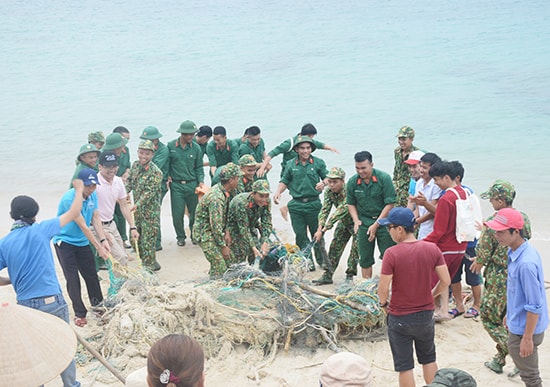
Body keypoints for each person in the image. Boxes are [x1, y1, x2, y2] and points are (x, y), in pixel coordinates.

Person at [0, 180, 87, 387]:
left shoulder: (4, 243)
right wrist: (79, 188)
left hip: (26, 307)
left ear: (12, 215)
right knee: (63, 347)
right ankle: (71, 385)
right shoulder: (42, 229)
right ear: (34, 214)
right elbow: (75, 211)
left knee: (34, 353)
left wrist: (11, 280)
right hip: (53, 301)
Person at [377, 207, 451, 387]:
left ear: (400, 229)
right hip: (425, 315)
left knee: (405, 366)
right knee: (428, 359)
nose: (389, 231)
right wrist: (431, 295)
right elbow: (446, 280)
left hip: (400, 316)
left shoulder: (392, 253)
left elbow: (383, 288)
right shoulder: (431, 249)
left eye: (390, 227)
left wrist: (383, 304)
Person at [470, 180, 532, 375]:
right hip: (517, 270)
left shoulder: (494, 221)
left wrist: (478, 262)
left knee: (489, 317)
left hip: (498, 276)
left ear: (500, 199)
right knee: (511, 317)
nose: (490, 202)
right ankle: (499, 359)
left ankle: (515, 354)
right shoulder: (523, 218)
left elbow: (485, 250)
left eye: (493, 199)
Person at [484, 208, 548, 387]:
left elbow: (535, 304)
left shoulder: (525, 263)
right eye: (495, 231)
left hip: (525, 330)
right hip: (518, 323)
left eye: (501, 232)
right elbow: (518, 293)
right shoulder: (516, 251)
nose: (497, 236)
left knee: (531, 378)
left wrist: (527, 338)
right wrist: (510, 313)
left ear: (516, 231)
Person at [53, 168, 110, 327]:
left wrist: (103, 239)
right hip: (64, 241)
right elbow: (84, 226)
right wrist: (98, 248)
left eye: (94, 185)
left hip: (82, 242)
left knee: (91, 274)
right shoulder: (69, 199)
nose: (91, 189)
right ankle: (79, 313)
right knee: (73, 278)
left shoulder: (92, 195)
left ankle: (98, 307)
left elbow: (96, 218)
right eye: (88, 185)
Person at [273, 136, 329, 271]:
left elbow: (327, 177)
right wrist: (278, 192)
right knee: (300, 235)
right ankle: (307, 262)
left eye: (308, 148)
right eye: (302, 148)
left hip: (314, 204)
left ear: (311, 149)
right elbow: (284, 180)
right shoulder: (291, 164)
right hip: (296, 206)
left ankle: (322, 262)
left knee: (318, 235)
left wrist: (323, 183)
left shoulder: (318, 163)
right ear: (296, 149)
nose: (305, 151)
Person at [423, 161, 468, 321]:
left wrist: (421, 243)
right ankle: (442, 310)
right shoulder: (465, 194)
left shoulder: (446, 199)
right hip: (461, 246)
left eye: (437, 180)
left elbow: (439, 231)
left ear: (447, 177)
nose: (436, 183)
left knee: (432, 281)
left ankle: (425, 309)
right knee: (444, 280)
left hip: (445, 248)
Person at [347, 151, 396, 279]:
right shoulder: (353, 182)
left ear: (371, 165)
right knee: (365, 258)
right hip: (364, 223)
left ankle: (389, 287)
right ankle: (366, 287)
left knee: (388, 256)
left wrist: (377, 224)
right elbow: (350, 203)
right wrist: (356, 220)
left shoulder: (384, 178)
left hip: (384, 222)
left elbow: (390, 204)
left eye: (363, 168)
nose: (360, 171)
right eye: (357, 168)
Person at [193, 163, 242, 278]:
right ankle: (215, 285)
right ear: (231, 180)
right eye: (237, 178)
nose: (239, 180)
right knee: (220, 266)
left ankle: (215, 275)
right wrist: (223, 246)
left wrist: (227, 232)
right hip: (204, 234)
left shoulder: (224, 192)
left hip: (213, 232)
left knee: (231, 262)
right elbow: (215, 225)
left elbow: (223, 219)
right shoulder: (216, 197)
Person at [313, 167, 359, 285]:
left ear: (342, 181)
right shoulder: (329, 191)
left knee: (355, 249)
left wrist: (326, 228)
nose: (332, 185)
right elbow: (325, 210)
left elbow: (341, 210)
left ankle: (350, 275)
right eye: (330, 181)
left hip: (357, 222)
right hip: (343, 222)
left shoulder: (349, 190)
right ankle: (328, 275)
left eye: (335, 182)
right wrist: (319, 229)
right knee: (334, 246)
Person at [93, 151, 139, 266]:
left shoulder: (118, 181)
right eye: (107, 166)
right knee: (120, 257)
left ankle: (120, 282)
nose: (112, 169)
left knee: (123, 255)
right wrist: (102, 235)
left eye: (114, 166)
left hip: (112, 224)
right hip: (98, 226)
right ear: (99, 166)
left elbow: (123, 205)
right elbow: (92, 213)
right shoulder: (94, 183)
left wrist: (132, 226)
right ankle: (118, 283)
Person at [126, 140, 163, 271]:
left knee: (148, 243)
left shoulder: (156, 172)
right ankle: (150, 263)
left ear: (152, 155)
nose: (143, 156)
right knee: (134, 240)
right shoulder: (135, 165)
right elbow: (129, 181)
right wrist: (124, 193)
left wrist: (137, 204)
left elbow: (149, 193)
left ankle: (149, 267)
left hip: (150, 213)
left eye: (147, 154)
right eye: (141, 153)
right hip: (136, 212)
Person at [167, 120, 206, 246]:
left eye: (192, 134)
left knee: (195, 213)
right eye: (187, 134)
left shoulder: (196, 148)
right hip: (176, 185)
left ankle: (194, 236)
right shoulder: (171, 146)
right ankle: (180, 237)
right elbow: (166, 164)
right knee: (177, 214)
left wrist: (201, 182)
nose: (190, 137)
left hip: (192, 184)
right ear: (182, 134)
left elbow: (199, 167)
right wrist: (167, 177)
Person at [257, 122, 339, 178]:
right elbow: (271, 154)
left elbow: (320, 145)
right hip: (289, 173)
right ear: (307, 135)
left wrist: (331, 148)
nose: (311, 139)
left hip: (302, 172)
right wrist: (262, 167)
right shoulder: (289, 143)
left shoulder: (308, 141)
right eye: (311, 137)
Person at [227, 179, 272, 265]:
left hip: (251, 225)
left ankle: (254, 271)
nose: (264, 199)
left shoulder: (267, 201)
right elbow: (243, 229)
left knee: (259, 252)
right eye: (261, 196)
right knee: (240, 254)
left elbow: (266, 222)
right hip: (234, 228)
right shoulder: (241, 203)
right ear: (253, 193)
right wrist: (253, 248)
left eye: (266, 196)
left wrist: (265, 241)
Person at [139, 126, 169, 251]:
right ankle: (143, 241)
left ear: (156, 139)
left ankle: (156, 242)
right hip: (144, 185)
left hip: (158, 185)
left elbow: (153, 165)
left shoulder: (163, 150)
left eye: (150, 139)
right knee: (142, 213)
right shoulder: (145, 150)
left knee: (153, 214)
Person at [104, 130, 132, 248]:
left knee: (121, 213)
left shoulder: (125, 152)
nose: (124, 148)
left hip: (119, 186)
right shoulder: (104, 158)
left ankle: (122, 241)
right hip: (106, 192)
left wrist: (126, 173)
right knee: (110, 217)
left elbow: (128, 166)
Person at [409, 153, 442, 239]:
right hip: (423, 229)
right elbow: (418, 209)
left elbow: (433, 212)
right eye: (420, 166)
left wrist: (416, 222)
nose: (421, 170)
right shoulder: (419, 182)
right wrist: (411, 220)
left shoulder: (436, 185)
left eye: (425, 168)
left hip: (433, 229)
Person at [393, 126, 420, 207]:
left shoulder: (416, 153)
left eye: (404, 139)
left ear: (411, 139)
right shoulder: (397, 151)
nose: (401, 142)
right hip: (397, 187)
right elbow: (396, 170)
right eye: (399, 139)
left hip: (409, 188)